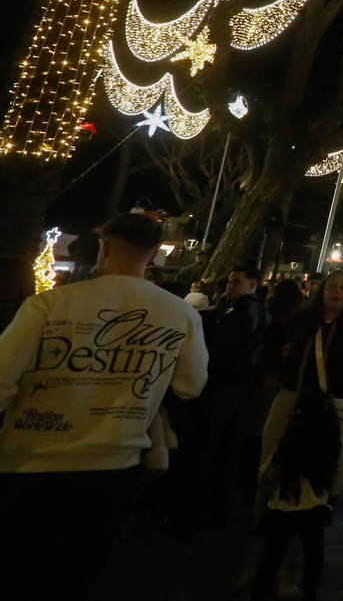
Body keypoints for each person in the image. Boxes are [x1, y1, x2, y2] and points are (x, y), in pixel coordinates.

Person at [0, 214, 209, 595]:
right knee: (76, 575)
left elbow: (2, 379)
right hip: (115, 464)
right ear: (152, 255)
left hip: (30, 459)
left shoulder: (50, 303)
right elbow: (191, 385)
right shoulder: (180, 314)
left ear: (106, 246)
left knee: (16, 567)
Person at [253, 270, 343, 601]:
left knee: (332, 469)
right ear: (322, 291)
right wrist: (277, 371)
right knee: (271, 468)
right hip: (291, 397)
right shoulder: (298, 320)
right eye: (332, 286)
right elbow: (270, 341)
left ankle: (301, 553)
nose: (336, 292)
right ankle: (263, 558)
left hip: (328, 406)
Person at [192, 263, 266, 529]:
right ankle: (216, 510)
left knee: (212, 445)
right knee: (227, 450)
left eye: (236, 281)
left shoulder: (241, 312)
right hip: (239, 388)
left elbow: (225, 347)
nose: (229, 286)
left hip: (226, 386)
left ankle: (204, 510)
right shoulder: (250, 310)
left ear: (252, 285)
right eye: (229, 281)